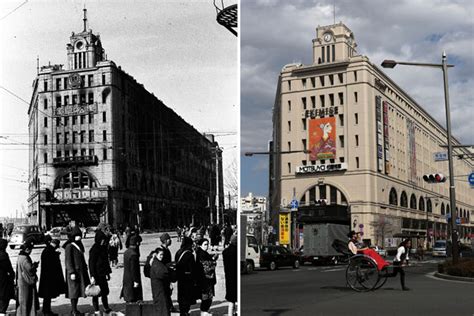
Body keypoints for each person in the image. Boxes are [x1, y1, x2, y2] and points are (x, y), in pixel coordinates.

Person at [65, 226, 91, 315]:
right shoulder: (69, 246)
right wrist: (71, 272)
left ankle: (74, 310)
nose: (79, 237)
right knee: (73, 292)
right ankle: (74, 310)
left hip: (80, 272)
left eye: (80, 235)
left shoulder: (79, 244)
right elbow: (68, 261)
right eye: (77, 235)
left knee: (77, 291)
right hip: (73, 273)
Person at [38, 237, 65, 316]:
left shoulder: (47, 250)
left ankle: (46, 310)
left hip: (46, 277)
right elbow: (52, 264)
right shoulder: (50, 251)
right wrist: (56, 256)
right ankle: (47, 311)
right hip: (49, 278)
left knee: (47, 296)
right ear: (56, 245)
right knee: (47, 295)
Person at [89, 230, 113, 314]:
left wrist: (108, 273)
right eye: (102, 239)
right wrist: (92, 276)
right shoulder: (94, 249)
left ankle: (106, 307)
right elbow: (91, 264)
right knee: (96, 293)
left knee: (104, 292)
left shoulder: (103, 248)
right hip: (96, 275)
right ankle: (96, 310)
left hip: (103, 274)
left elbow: (106, 262)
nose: (103, 241)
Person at [16, 238, 39, 316]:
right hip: (26, 283)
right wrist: (35, 266)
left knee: (22, 301)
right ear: (27, 249)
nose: (31, 251)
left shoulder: (20, 256)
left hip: (21, 281)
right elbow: (29, 269)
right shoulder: (25, 258)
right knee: (27, 300)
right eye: (30, 250)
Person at [175, 236, 197, 316]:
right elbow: (192, 269)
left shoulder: (178, 252)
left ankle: (182, 312)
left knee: (181, 296)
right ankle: (185, 312)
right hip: (188, 279)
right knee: (187, 297)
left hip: (180, 278)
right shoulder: (189, 254)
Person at [195, 238, 218, 316]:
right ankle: (204, 311)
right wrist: (214, 261)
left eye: (208, 244)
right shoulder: (201, 254)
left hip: (207, 279)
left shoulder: (202, 253)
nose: (207, 246)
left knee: (208, 296)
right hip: (205, 279)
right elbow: (206, 267)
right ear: (200, 245)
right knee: (206, 296)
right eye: (205, 244)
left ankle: (205, 310)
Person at [121, 235, 143, 303]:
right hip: (132, 280)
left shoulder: (126, 252)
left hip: (126, 279)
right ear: (137, 243)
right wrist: (136, 281)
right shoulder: (134, 255)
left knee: (128, 298)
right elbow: (134, 269)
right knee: (134, 299)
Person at [150, 248, 170, 315]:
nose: (162, 256)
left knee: (161, 308)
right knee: (162, 309)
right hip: (160, 290)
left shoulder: (156, 263)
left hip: (159, 290)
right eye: (160, 255)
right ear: (156, 254)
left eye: (163, 255)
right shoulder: (157, 265)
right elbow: (163, 274)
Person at [223, 235, 237, 315]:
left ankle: (230, 314)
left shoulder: (225, 252)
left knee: (231, 299)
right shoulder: (237, 251)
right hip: (235, 276)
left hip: (228, 276)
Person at [0, 239, 15, 316]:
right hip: (3, 278)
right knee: (4, 295)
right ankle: (2, 312)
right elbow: (8, 267)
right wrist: (12, 274)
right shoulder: (3, 255)